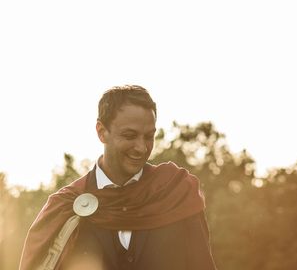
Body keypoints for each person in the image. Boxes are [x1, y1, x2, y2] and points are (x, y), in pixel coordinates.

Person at [19, 85, 218, 270]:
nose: (141, 147)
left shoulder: (176, 193)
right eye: (130, 136)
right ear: (101, 132)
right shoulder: (64, 207)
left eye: (149, 136)